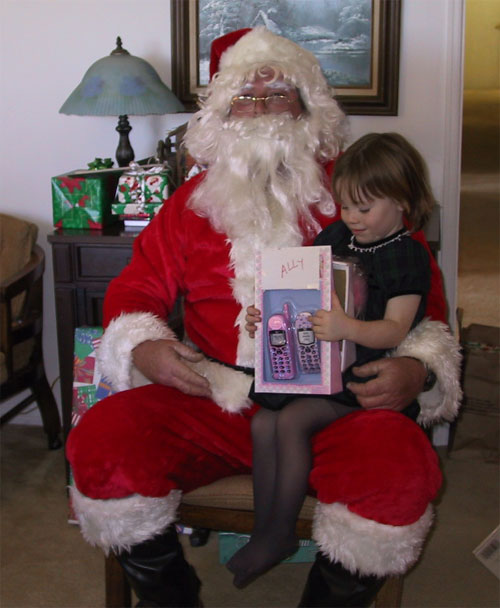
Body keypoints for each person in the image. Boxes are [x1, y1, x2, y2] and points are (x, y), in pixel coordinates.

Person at [66, 28, 462, 608]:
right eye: (245, 99)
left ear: (307, 107)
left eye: (278, 96)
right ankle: (173, 599)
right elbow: (136, 290)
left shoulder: (360, 194)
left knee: (397, 470)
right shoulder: (187, 207)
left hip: (338, 402)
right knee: (104, 442)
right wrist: (145, 347)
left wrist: (416, 369)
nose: (261, 110)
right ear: (221, 113)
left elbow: (424, 302)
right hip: (216, 397)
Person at [227, 132, 436, 588]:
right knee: (263, 422)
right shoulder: (338, 235)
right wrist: (265, 312)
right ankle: (265, 528)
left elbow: (395, 329)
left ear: (402, 200)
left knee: (292, 421)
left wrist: (348, 329)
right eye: (345, 206)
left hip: (361, 377)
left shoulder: (407, 256)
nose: (352, 218)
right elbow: (301, 287)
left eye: (364, 207)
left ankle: (280, 534)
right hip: (316, 364)